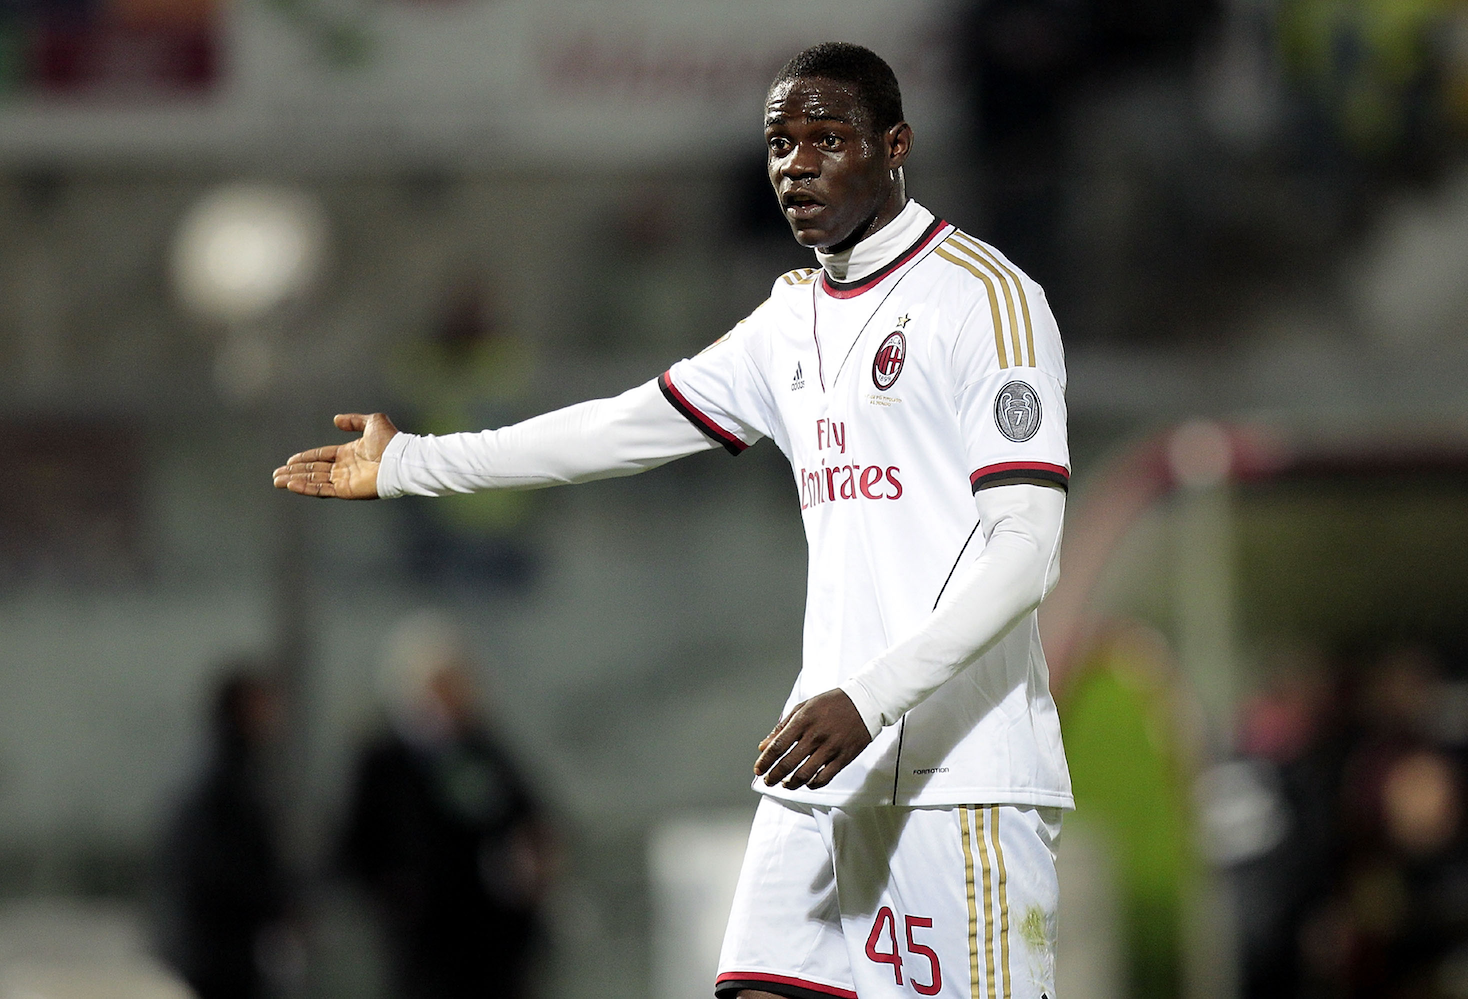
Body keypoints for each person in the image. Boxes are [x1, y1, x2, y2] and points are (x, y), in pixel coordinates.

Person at [276, 42, 1072, 999]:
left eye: (829, 138)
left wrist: (871, 697)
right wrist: (411, 462)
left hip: (961, 775)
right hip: (825, 764)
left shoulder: (985, 301)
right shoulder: (788, 322)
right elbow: (620, 426)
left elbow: (1025, 552)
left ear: (895, 145)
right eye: (781, 142)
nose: (797, 164)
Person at [339, 612, 553, 999]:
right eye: (436, 688)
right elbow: (350, 847)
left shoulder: (484, 750)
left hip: (491, 937)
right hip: (423, 942)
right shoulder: (382, 760)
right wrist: (396, 892)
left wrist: (528, 864)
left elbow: (529, 818)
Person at [155, 666, 297, 999]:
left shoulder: (229, 767)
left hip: (220, 943)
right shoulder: (224, 776)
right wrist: (276, 901)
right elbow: (222, 861)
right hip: (218, 947)